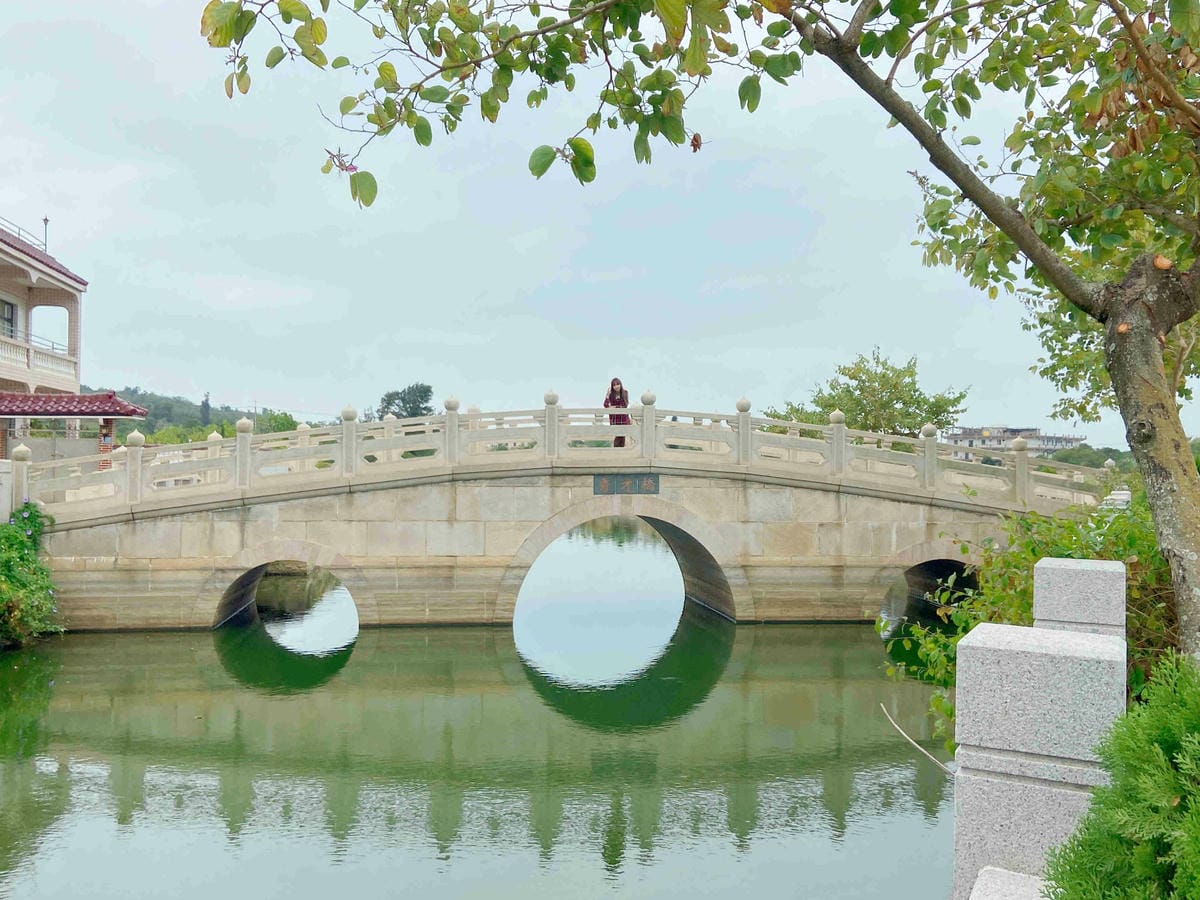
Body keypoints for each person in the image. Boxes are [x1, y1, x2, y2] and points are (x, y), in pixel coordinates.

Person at [604, 377, 630, 447]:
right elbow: (606, 405)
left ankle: (619, 452)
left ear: (620, 384)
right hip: (615, 419)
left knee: (622, 436)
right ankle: (617, 451)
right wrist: (607, 395)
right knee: (619, 435)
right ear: (612, 387)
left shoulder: (625, 393)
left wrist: (615, 407)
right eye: (614, 385)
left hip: (623, 418)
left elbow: (625, 405)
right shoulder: (611, 395)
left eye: (618, 384)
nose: (616, 386)